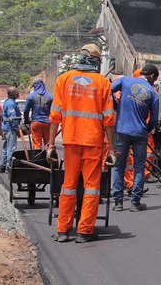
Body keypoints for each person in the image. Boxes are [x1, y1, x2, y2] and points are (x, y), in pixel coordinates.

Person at [48, 44, 115, 243]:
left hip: (71, 141)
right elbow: (109, 119)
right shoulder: (102, 83)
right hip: (93, 141)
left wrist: (50, 144)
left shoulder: (64, 79)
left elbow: (54, 116)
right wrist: (112, 148)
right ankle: (84, 231)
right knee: (91, 187)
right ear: (96, 61)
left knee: (68, 186)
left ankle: (63, 230)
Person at [110, 63, 159, 212]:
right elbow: (154, 120)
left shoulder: (125, 81)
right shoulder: (153, 93)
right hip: (140, 134)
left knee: (118, 167)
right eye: (154, 79)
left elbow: (107, 89)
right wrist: (146, 130)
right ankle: (135, 203)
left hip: (121, 131)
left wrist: (114, 104)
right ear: (151, 76)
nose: (154, 82)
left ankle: (118, 202)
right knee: (139, 168)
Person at [24, 78, 53, 149]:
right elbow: (54, 110)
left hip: (36, 123)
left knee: (37, 145)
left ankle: (38, 159)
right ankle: (48, 158)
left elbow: (25, 110)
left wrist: (26, 120)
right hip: (48, 123)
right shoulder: (50, 97)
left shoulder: (31, 96)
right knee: (48, 144)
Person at [0, 87, 22, 173]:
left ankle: (3, 166)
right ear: (12, 94)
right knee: (11, 148)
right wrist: (17, 128)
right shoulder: (11, 104)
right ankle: (9, 166)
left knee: (6, 147)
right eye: (16, 92)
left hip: (6, 128)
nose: (17, 93)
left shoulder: (9, 103)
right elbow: (13, 118)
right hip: (10, 128)